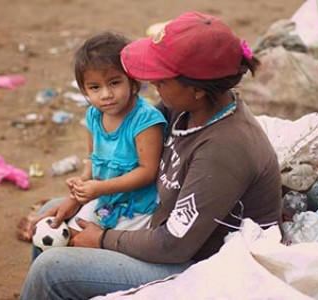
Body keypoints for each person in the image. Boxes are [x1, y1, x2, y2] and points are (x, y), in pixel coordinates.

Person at [20, 11, 282, 299]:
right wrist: (75, 198)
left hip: (199, 264)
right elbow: (128, 153)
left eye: (162, 78)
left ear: (196, 89)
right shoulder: (185, 106)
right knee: (57, 212)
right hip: (158, 224)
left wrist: (103, 239)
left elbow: (174, 245)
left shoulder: (224, 147)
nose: (152, 82)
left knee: (51, 270)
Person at [42, 32, 167, 243]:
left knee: (80, 243)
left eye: (114, 83)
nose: (106, 94)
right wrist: (82, 181)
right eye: (94, 87)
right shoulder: (93, 115)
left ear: (131, 80)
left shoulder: (145, 120)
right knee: (64, 234)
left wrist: (99, 188)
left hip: (136, 208)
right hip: (105, 199)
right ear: (84, 90)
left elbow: (147, 172)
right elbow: (93, 157)